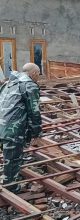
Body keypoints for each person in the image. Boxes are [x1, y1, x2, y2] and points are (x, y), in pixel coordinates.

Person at [0, 63, 42, 193]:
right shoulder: (29, 85)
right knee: (13, 159)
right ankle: (11, 187)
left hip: (1, 125)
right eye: (38, 74)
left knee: (8, 156)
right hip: (12, 129)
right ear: (34, 73)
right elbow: (34, 112)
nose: (38, 77)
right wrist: (36, 133)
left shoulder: (9, 83)